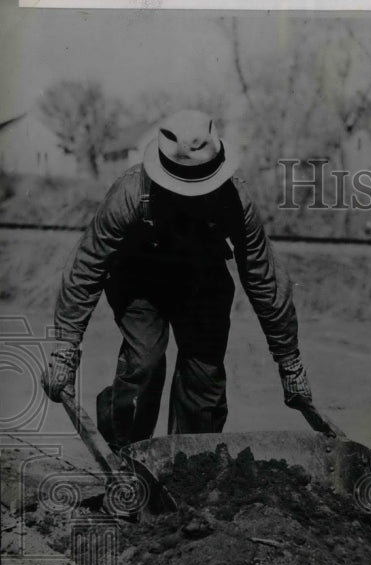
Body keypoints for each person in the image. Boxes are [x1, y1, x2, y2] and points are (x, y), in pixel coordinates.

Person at [41, 110, 314, 450]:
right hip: (138, 283)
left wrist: (289, 361)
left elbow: (264, 277)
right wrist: (66, 348)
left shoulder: (235, 200)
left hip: (202, 283)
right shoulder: (129, 194)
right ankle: (127, 454)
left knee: (204, 380)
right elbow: (87, 265)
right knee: (144, 365)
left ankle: (189, 466)